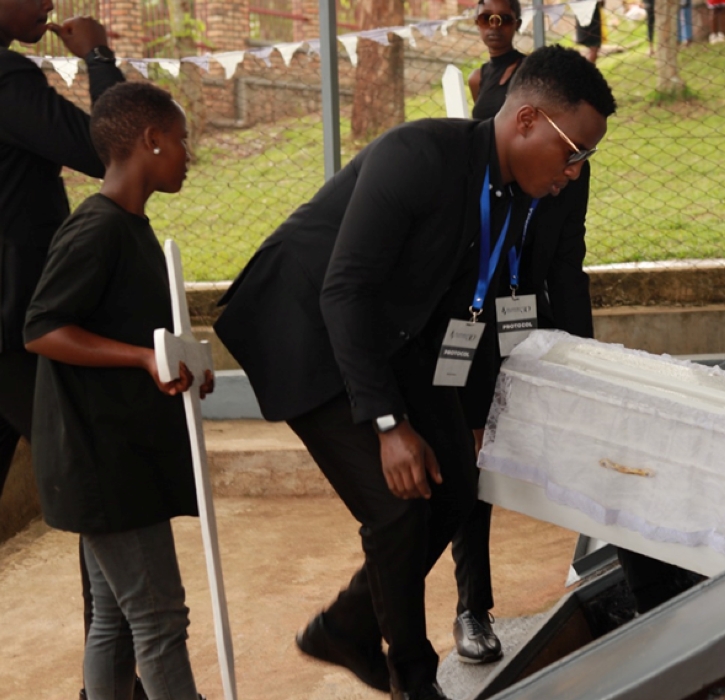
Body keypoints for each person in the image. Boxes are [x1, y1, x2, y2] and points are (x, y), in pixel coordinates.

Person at [214, 45, 615, 700]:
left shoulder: (512, 194)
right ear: (526, 121)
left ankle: (345, 625)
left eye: (586, 158)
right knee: (399, 507)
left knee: (457, 482)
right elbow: (343, 291)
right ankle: (414, 678)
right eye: (573, 151)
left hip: (392, 333)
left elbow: (471, 310)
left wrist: (472, 413)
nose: (576, 172)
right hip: (307, 327)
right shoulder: (419, 156)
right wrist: (389, 422)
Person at [24, 81, 212, 700]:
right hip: (103, 465)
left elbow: (137, 335)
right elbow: (43, 328)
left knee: (116, 621)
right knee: (159, 620)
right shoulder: (97, 229)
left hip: (116, 458)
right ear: (151, 141)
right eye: (181, 140)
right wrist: (139, 359)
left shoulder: (131, 229)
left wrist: (178, 365)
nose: (189, 153)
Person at [0, 6, 139, 699]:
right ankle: (110, 687)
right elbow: (107, 150)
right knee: (99, 493)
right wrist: (96, 58)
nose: (48, 8)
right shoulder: (4, 75)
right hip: (21, 333)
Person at [456, 0, 597, 666]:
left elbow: (567, 262)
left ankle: (606, 565)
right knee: (469, 458)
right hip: (464, 322)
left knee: (582, 434)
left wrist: (582, 353)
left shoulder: (573, 169)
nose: (571, 164)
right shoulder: (474, 158)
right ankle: (471, 605)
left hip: (524, 318)